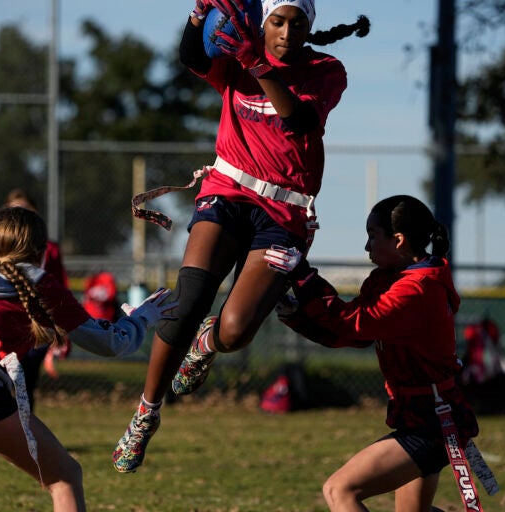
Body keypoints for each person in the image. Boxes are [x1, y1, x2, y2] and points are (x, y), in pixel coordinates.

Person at [113, 0, 370, 473]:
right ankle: (146, 412)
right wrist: (197, 14)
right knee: (189, 299)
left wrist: (256, 62)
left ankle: (208, 342)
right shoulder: (236, 58)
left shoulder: (326, 69)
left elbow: (299, 121)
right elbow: (192, 57)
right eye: (278, 21)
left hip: (285, 211)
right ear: (262, 21)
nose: (287, 32)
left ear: (308, 26)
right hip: (228, 190)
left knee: (234, 330)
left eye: (297, 23)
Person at [0, 206, 176, 511]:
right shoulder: (39, 281)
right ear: (43, 252)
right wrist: (144, 316)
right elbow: (109, 343)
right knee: (64, 477)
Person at [266, 195, 481, 511]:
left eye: (372, 236)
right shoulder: (387, 279)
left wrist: (303, 276)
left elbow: (354, 324)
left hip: (433, 422)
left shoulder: (417, 288)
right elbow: (351, 335)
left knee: (339, 491)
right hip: (421, 416)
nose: (366, 247)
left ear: (398, 240)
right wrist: (297, 315)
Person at [0, 188, 71, 408]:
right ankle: (3, 432)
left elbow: (59, 287)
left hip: (35, 326)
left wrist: (61, 328)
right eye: (13, 210)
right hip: (3, 324)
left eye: (25, 210)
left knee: (25, 382)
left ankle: (23, 432)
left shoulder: (48, 250)